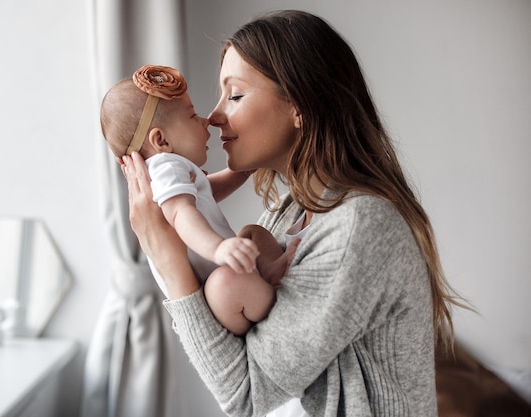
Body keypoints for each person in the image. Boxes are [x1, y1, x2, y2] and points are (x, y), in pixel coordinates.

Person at [121, 9, 470, 417]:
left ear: (300, 106)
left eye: (234, 95)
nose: (214, 116)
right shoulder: (286, 215)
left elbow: (245, 395)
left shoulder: (358, 227)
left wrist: (166, 259)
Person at [101, 65, 294, 336]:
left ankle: (267, 274)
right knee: (227, 280)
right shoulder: (166, 166)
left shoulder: (166, 171)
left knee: (252, 233)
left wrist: (244, 170)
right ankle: (273, 301)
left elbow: (206, 194)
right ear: (161, 140)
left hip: (226, 283)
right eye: (192, 116)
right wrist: (218, 249)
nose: (205, 121)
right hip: (215, 294)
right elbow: (181, 214)